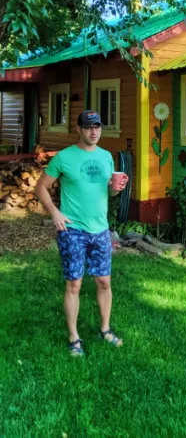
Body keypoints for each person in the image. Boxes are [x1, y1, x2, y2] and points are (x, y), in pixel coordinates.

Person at [35, 110, 128, 357]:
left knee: (104, 281)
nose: (93, 131)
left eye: (97, 127)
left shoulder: (107, 157)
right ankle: (74, 338)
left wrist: (115, 189)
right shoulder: (64, 158)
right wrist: (55, 213)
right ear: (78, 129)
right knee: (74, 284)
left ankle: (105, 330)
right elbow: (41, 187)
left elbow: (108, 193)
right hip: (73, 229)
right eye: (88, 127)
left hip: (100, 229)